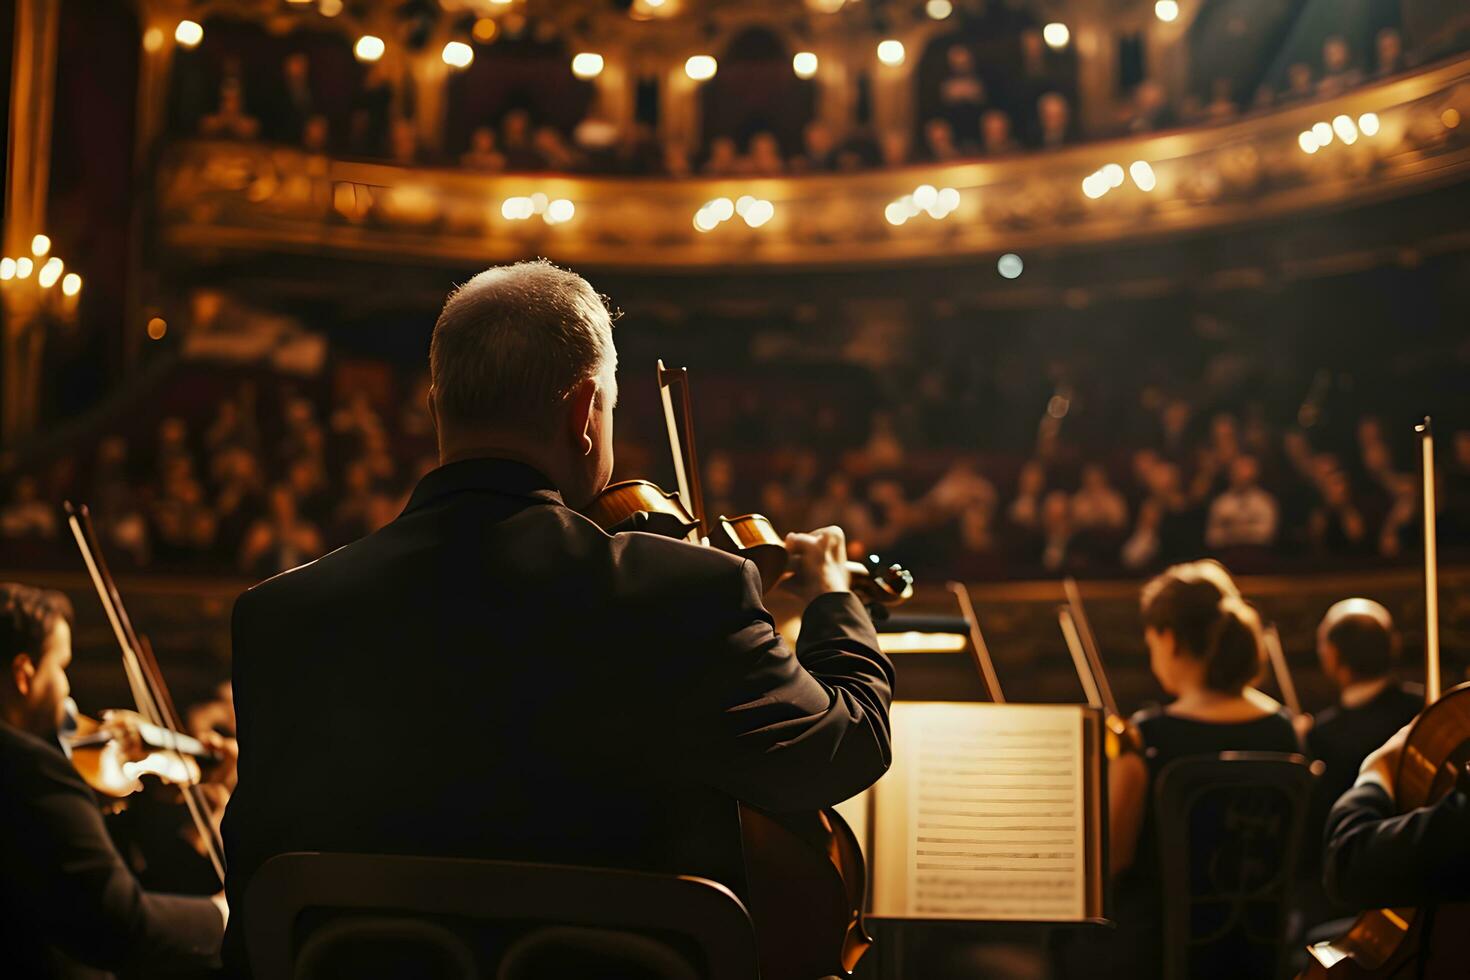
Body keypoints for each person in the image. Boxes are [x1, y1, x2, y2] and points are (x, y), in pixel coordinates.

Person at [220, 260, 894, 975]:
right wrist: (832, 599)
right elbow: (844, 746)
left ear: (437, 405)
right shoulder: (684, 595)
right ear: (581, 415)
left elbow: (261, 891)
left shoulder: (280, 617)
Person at [1064, 560, 1299, 979]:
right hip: (1254, 949)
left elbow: (1111, 861)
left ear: (1168, 639)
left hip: (1155, 955)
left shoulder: (1147, 736)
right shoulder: (1282, 731)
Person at [0, 582, 226, 978]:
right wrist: (220, 915)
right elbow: (120, 925)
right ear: (24, 673)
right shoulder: (32, 770)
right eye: (61, 666)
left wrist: (182, 826)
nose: (68, 691)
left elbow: (82, 882)